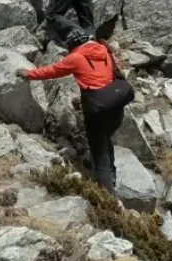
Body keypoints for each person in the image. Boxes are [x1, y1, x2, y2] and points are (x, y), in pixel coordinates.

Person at [16, 27, 133, 194]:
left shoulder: (76, 57)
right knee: (106, 138)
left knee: (99, 159)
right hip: (116, 106)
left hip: (97, 111)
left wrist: (29, 74)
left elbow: (52, 71)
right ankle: (112, 175)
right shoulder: (104, 51)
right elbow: (105, 78)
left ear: (73, 46)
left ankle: (111, 200)